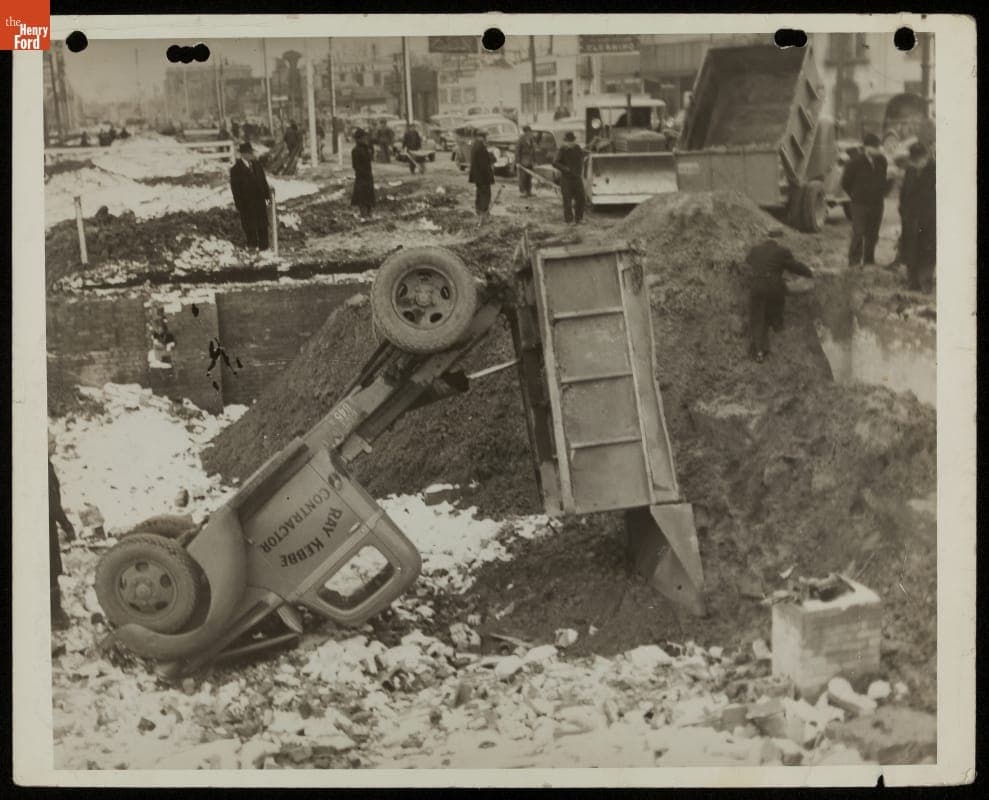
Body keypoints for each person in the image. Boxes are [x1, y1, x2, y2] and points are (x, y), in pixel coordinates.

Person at [745, 229, 815, 362]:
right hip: (773, 287)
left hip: (757, 286)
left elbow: (748, 261)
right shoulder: (783, 251)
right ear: (780, 239)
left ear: (767, 237)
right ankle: (777, 323)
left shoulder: (755, 250)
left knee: (757, 318)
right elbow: (795, 267)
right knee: (777, 298)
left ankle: (759, 352)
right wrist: (809, 272)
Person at [841, 133, 889, 267]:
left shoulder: (882, 161)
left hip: (877, 204)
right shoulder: (854, 162)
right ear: (867, 148)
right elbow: (845, 182)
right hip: (859, 204)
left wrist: (882, 192)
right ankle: (854, 262)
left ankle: (869, 261)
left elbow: (883, 178)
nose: (879, 150)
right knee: (858, 232)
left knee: (873, 233)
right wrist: (856, 195)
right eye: (876, 147)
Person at [898, 142, 936, 292]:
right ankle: (912, 283)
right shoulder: (910, 170)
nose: (916, 164)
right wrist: (903, 212)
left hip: (929, 220)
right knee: (910, 251)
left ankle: (925, 285)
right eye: (913, 162)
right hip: (910, 220)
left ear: (926, 157)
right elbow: (903, 194)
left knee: (927, 252)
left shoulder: (935, 171)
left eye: (918, 161)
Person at [48, 448, 74, 632]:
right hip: (45, 526)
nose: (55, 445)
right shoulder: (43, 468)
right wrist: (66, 525)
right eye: (51, 442)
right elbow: (52, 504)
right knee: (52, 570)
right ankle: (55, 616)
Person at [229, 142, 272, 249]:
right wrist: (239, 204)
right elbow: (235, 189)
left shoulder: (257, 165)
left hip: (259, 201)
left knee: (263, 225)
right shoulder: (236, 169)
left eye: (251, 152)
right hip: (246, 203)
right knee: (250, 226)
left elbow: (263, 182)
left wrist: (267, 197)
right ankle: (252, 246)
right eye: (249, 153)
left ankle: (264, 247)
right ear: (243, 154)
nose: (252, 155)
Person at [553, 130, 585, 225]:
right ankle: (569, 220)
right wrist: (565, 169)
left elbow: (583, 156)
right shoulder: (562, 150)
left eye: (571, 141)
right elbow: (555, 162)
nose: (570, 143)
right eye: (568, 141)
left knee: (581, 198)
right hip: (566, 179)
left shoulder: (578, 148)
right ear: (565, 141)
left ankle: (579, 218)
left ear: (574, 141)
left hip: (577, 178)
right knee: (567, 200)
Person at [468, 129, 495, 225]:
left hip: (478, 176)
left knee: (480, 193)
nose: (486, 139)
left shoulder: (475, 145)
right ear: (483, 137)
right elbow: (484, 164)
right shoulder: (481, 147)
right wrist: (489, 175)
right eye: (485, 137)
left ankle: (479, 213)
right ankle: (484, 216)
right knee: (485, 195)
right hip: (483, 176)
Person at [351, 129, 376, 220]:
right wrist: (362, 172)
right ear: (358, 139)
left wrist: (371, 149)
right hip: (361, 176)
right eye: (363, 138)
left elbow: (371, 158)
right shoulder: (356, 150)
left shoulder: (366, 148)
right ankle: (364, 215)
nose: (365, 139)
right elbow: (355, 165)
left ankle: (369, 215)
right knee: (362, 197)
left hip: (367, 175)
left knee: (369, 196)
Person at [515, 125, 537, 197]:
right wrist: (517, 162)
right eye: (528, 132)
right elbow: (517, 151)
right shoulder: (521, 139)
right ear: (525, 132)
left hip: (530, 161)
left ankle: (529, 191)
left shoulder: (532, 139)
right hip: (523, 161)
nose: (529, 134)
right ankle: (523, 192)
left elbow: (533, 150)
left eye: (530, 132)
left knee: (529, 177)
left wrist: (534, 161)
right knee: (523, 177)